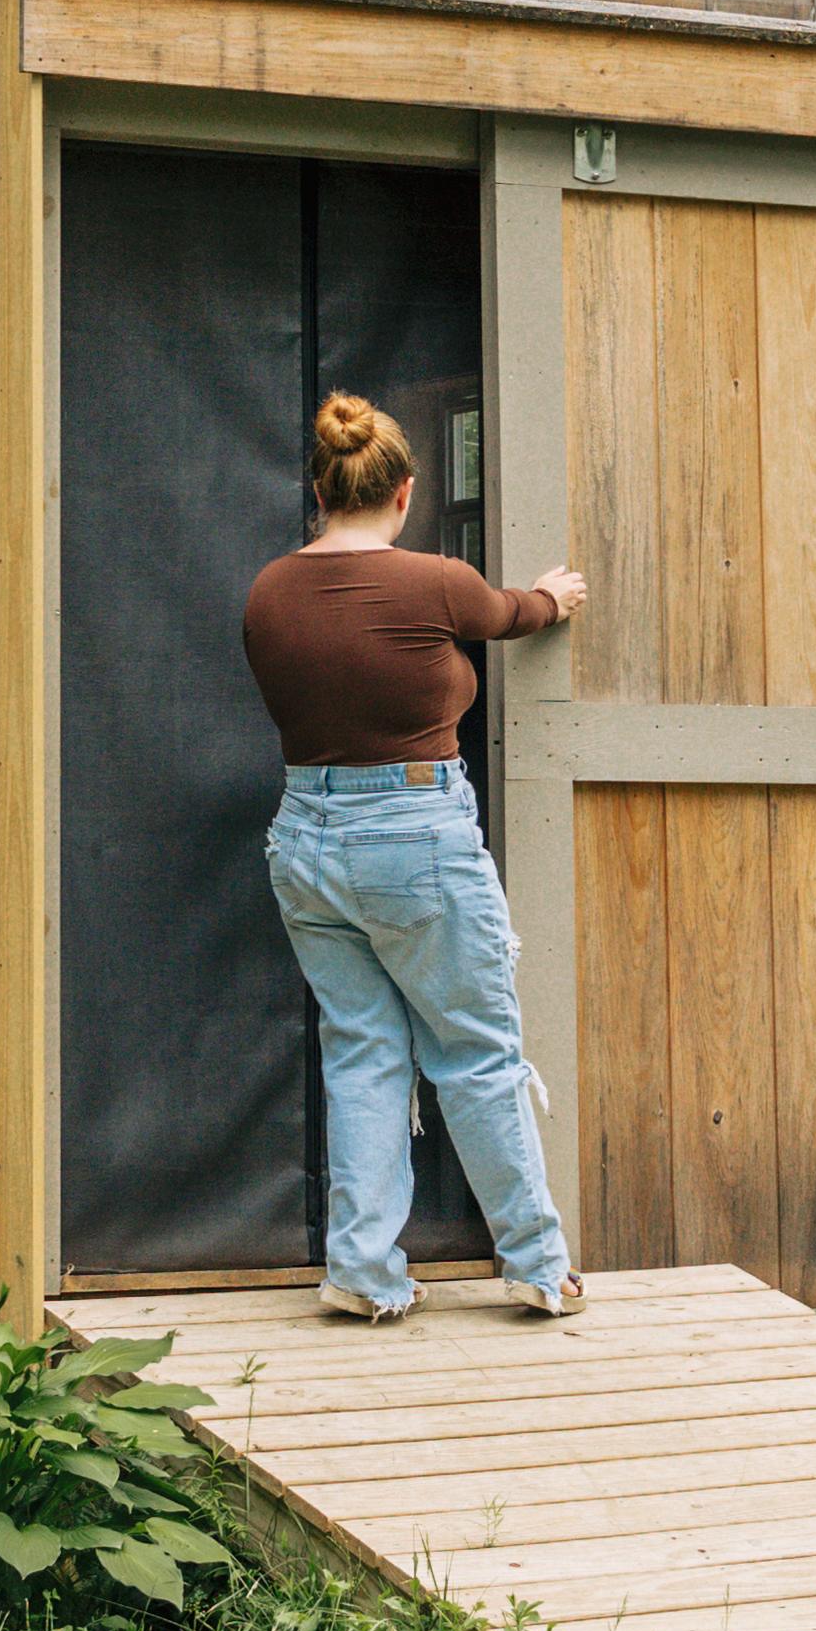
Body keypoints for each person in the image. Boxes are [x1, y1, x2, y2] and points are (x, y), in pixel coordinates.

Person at [244, 389, 587, 1323]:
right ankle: (537, 1265)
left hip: (304, 839)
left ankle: (360, 1270)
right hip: (415, 836)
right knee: (475, 1051)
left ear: (320, 492)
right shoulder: (435, 581)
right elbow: (513, 613)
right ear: (404, 492)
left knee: (363, 1054)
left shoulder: (269, 591)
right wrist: (554, 598)